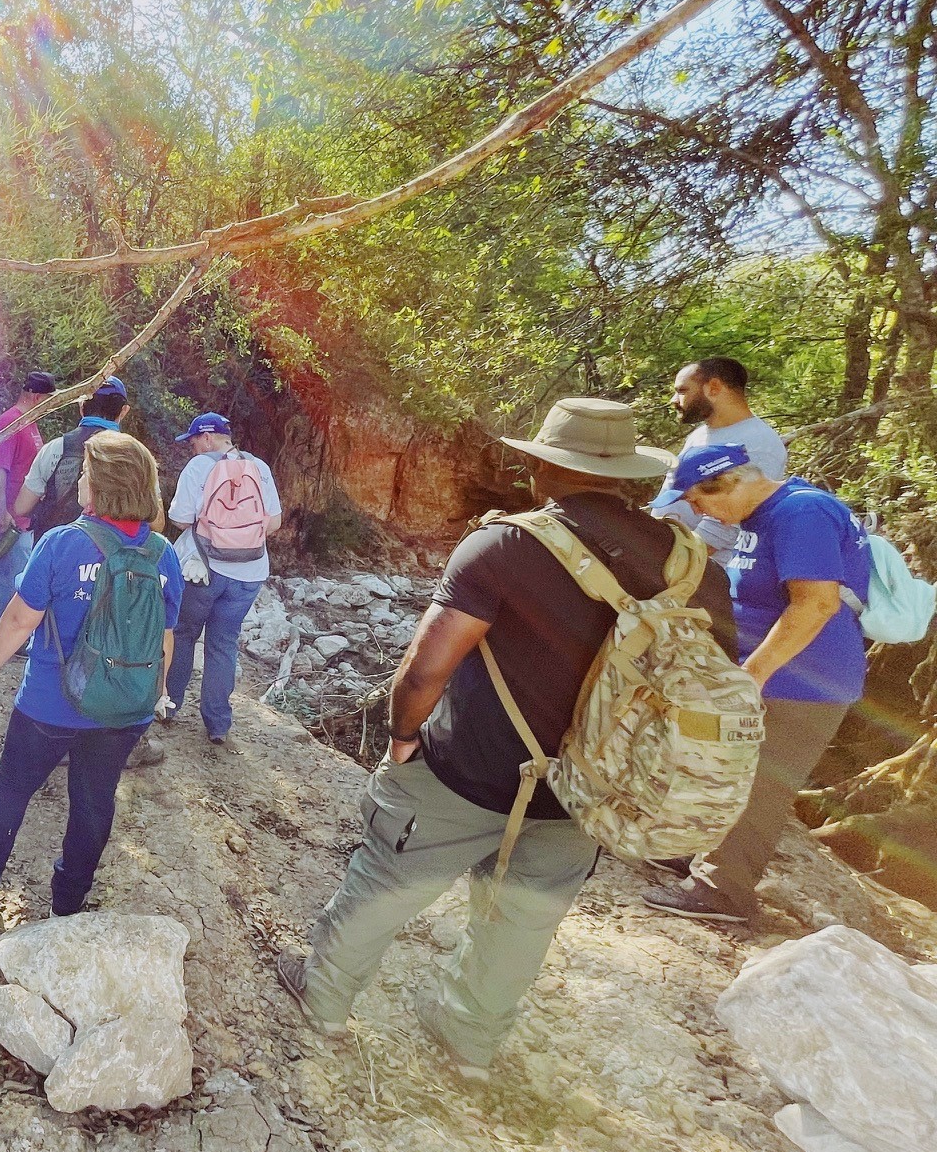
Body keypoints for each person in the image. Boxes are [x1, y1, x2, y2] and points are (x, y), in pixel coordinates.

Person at [273, 399, 735, 1080]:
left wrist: (403, 740)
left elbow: (427, 667)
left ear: (543, 464)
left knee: (385, 884)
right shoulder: (692, 567)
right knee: (524, 922)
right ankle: (472, 1046)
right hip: (583, 791)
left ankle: (326, 999)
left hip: (465, 770)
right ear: (627, 472)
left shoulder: (508, 545)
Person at [643, 445, 869, 924]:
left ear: (728, 484)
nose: (699, 511)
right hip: (778, 674)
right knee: (728, 769)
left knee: (759, 782)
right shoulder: (765, 517)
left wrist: (754, 674)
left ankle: (722, 890)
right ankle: (701, 857)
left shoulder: (801, 512)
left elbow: (816, 603)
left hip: (803, 681)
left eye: (699, 501)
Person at [0, 430, 183, 917]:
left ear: (103, 485)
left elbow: (21, 617)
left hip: (50, 703)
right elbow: (165, 638)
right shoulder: (163, 554)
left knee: (12, 788)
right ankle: (68, 900)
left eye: (85, 473)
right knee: (94, 801)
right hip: (125, 708)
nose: (79, 480)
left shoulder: (62, 544)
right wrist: (157, 692)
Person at [162, 412, 283, 744]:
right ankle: (218, 724)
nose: (191, 449)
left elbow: (181, 518)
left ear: (206, 437)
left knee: (183, 634)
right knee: (223, 643)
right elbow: (273, 523)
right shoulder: (260, 467)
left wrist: (216, 529)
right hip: (250, 572)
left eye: (192, 442)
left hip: (204, 569)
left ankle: (168, 705)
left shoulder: (200, 467)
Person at [654, 357, 787, 556]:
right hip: (670, 557)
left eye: (682, 391)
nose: (674, 401)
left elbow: (723, 527)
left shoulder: (759, 441)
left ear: (714, 388)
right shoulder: (700, 435)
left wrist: (673, 565)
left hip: (705, 573)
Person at [0, 371, 57, 624]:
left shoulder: (29, 422)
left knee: (11, 576)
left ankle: (0, 632)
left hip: (23, 518)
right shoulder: (10, 423)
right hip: (11, 519)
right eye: (48, 399)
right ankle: (3, 634)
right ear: (36, 397)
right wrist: (1, 511)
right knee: (10, 580)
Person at [18, 376, 128, 535]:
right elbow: (156, 523)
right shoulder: (133, 455)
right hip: (105, 552)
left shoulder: (54, 448)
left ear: (82, 407)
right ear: (124, 411)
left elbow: (21, 507)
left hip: (55, 549)